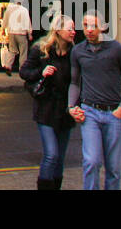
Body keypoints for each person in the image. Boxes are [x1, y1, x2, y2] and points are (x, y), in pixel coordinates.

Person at [67, 12, 121, 190]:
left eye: (93, 26)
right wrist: (71, 106)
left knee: (113, 168)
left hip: (114, 114)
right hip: (90, 112)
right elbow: (74, 82)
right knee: (91, 161)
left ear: (103, 27)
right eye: (85, 26)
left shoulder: (117, 50)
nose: (89, 30)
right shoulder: (78, 51)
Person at [18, 14, 77, 190]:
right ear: (58, 30)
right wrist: (41, 72)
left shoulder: (74, 53)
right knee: (51, 155)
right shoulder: (41, 49)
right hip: (46, 109)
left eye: (74, 28)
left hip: (65, 111)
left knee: (59, 157)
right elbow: (24, 72)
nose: (74, 32)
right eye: (70, 29)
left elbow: (78, 82)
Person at [0, 0, 31, 76]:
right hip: (21, 33)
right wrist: (30, 33)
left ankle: (8, 65)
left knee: (12, 50)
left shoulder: (9, 9)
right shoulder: (24, 10)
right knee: (23, 52)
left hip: (11, 32)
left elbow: (5, 19)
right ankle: (22, 69)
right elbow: (27, 22)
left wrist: (3, 29)